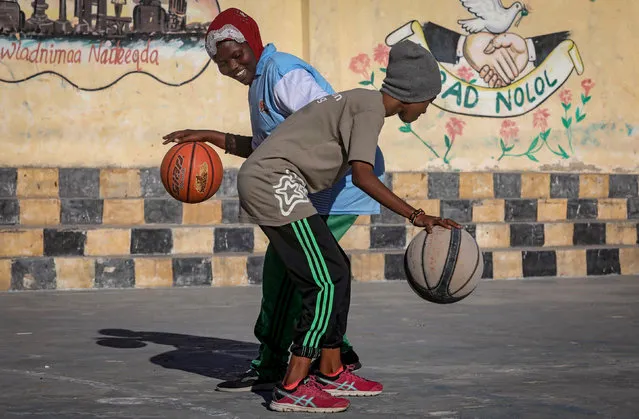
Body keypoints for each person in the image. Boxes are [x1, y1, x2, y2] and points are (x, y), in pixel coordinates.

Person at [162, 7, 386, 392]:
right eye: (222, 62)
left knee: (295, 273)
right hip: (307, 188)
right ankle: (331, 357)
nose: (232, 65)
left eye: (237, 54)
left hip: (335, 185)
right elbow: (265, 149)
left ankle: (280, 363)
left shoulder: (282, 73)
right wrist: (209, 135)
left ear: (253, 43)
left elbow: (331, 123)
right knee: (304, 273)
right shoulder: (260, 83)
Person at [234, 39, 462, 413]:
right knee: (324, 280)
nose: (426, 109)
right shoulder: (370, 108)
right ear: (412, 95)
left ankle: (331, 368)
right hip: (272, 182)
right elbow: (363, 176)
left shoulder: (362, 103)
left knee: (338, 270)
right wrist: (417, 216)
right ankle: (292, 384)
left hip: (276, 180)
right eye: (428, 100)